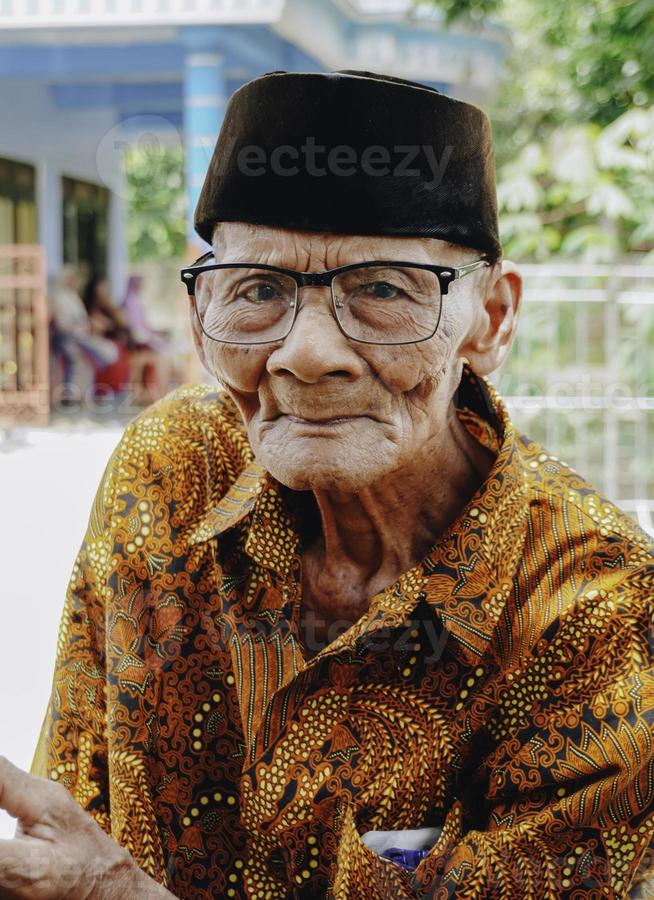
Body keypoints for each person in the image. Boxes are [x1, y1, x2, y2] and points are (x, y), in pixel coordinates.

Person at [1, 70, 652, 899]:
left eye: (381, 290)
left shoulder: (600, 612)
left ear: (492, 319)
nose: (307, 353)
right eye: (258, 291)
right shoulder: (174, 467)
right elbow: (73, 818)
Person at [49, 265, 119, 405]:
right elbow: (64, 325)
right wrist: (87, 326)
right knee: (78, 363)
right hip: (69, 339)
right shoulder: (60, 297)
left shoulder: (72, 296)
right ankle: (70, 398)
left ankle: (81, 397)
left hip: (79, 336)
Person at [120, 273, 175, 401]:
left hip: (145, 340)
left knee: (168, 355)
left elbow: (145, 326)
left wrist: (156, 334)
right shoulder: (129, 302)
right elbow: (135, 330)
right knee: (164, 357)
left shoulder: (137, 301)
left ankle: (162, 393)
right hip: (137, 344)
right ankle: (159, 395)